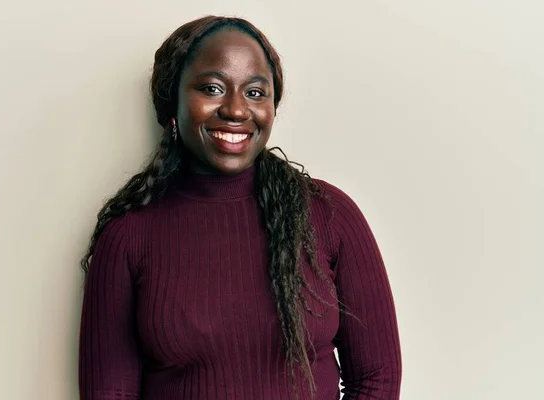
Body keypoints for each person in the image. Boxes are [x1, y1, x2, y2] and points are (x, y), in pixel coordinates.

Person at [78, 15, 402, 400]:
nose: (235, 110)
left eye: (254, 92)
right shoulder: (129, 236)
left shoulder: (330, 216)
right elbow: (110, 393)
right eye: (212, 88)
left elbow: (377, 378)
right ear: (172, 101)